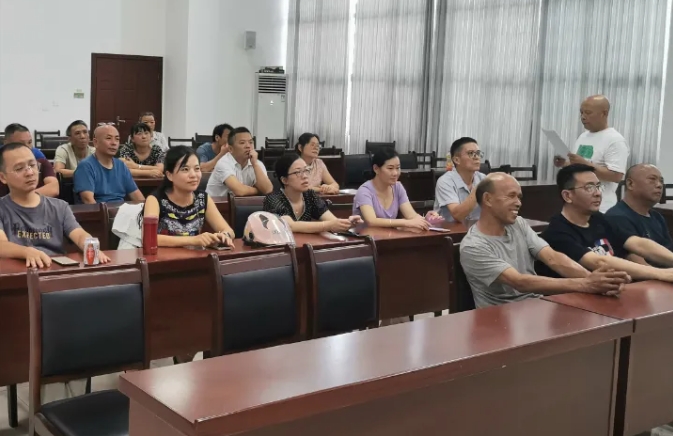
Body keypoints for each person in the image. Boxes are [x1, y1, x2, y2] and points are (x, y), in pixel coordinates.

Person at [459, 172, 630, 308]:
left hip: (535, 307)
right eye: (511, 196)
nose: (518, 203)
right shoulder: (473, 246)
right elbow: (519, 282)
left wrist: (597, 281)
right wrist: (586, 284)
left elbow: (552, 257)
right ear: (488, 199)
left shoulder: (518, 224)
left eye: (519, 197)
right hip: (501, 317)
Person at [537, 164, 673, 282]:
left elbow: (637, 243)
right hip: (577, 298)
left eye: (598, 186)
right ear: (567, 196)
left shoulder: (599, 219)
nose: (597, 193)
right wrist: (660, 274)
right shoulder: (557, 232)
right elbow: (598, 261)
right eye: (589, 187)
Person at [0, 143, 111, 267]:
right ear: (3, 177)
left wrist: (89, 245)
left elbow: (79, 234)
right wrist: (26, 252)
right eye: (19, 168)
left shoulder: (59, 207)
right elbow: (2, 245)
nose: (30, 172)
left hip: (53, 269)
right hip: (17, 270)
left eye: (32, 165)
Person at [140, 146, 234, 248]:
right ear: (169, 175)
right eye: (185, 169)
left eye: (197, 169)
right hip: (163, 257)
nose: (193, 175)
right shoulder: (155, 200)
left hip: (194, 256)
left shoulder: (202, 199)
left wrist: (223, 236)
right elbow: (148, 238)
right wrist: (193, 240)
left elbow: (229, 231)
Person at [553, 95, 628, 212]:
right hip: (577, 205)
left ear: (604, 113)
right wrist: (565, 164)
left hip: (601, 207)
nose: (583, 117)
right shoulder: (583, 136)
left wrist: (585, 165)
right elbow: (578, 167)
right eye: (581, 112)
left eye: (588, 113)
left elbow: (616, 176)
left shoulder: (615, 140)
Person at [263, 154, 360, 233]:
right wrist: (328, 225)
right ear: (284, 180)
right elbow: (290, 226)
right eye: (298, 172)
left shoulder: (309, 195)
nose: (305, 176)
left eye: (306, 170)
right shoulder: (273, 198)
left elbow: (332, 221)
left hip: (305, 245)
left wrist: (347, 223)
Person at [605, 164, 673, 266]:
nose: (659, 185)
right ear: (630, 184)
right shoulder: (617, 217)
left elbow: (669, 249)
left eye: (661, 181)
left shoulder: (657, 217)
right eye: (652, 179)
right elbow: (638, 263)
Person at [353, 148, 436, 230]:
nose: (395, 173)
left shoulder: (398, 187)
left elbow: (411, 216)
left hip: (389, 236)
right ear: (376, 169)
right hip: (366, 237)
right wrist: (405, 222)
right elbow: (371, 221)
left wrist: (425, 220)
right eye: (390, 168)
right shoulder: (364, 191)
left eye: (397, 168)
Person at [73, 124, 144, 204]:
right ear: (96, 142)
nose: (114, 143)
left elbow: (137, 196)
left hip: (121, 209)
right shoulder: (86, 166)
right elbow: (88, 201)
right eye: (108, 138)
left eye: (117, 139)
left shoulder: (121, 165)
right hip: (98, 210)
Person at [206, 127, 273, 197]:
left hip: (244, 203)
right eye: (242, 143)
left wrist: (255, 164)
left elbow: (267, 189)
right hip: (216, 202)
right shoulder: (223, 163)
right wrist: (258, 190)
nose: (248, 146)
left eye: (250, 142)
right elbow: (239, 191)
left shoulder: (256, 163)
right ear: (230, 149)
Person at [434, 137, 487, 222]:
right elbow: (458, 215)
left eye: (478, 153)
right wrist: (480, 188)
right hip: (450, 229)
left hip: (476, 228)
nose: (477, 157)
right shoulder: (445, 181)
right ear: (456, 160)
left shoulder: (483, 178)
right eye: (471, 153)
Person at [2, 123, 59, 198]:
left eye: (29, 142)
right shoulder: (2, 165)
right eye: (20, 144)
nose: (27, 147)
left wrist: (25, 199)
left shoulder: (41, 161)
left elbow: (53, 188)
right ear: (6, 143)